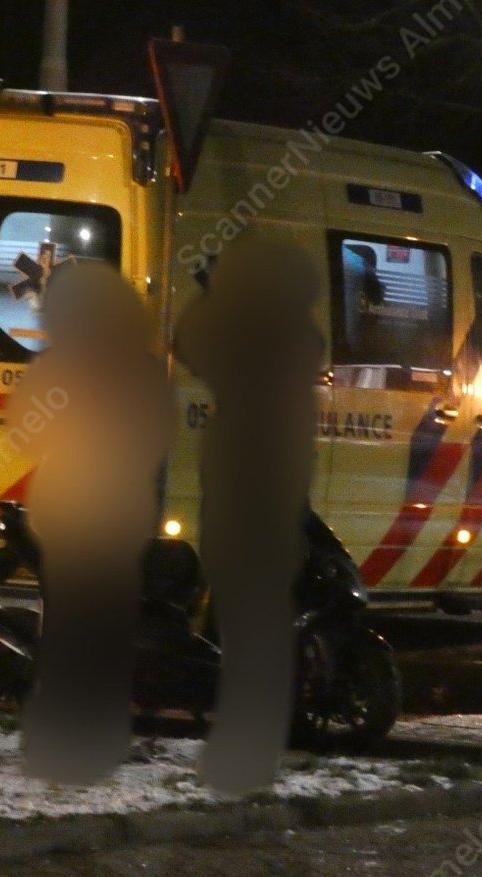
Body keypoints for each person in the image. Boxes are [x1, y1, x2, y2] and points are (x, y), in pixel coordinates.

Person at [7, 262, 173, 785]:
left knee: (66, 629)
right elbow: (156, 443)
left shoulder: (58, 368)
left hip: (67, 516)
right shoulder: (144, 371)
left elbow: (23, 434)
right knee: (109, 633)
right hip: (118, 520)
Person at [174, 237, 324, 795]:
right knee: (261, 632)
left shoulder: (254, 340)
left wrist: (213, 292)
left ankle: (243, 752)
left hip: (245, 507)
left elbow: (190, 342)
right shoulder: (296, 337)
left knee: (247, 635)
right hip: (272, 513)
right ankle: (255, 750)